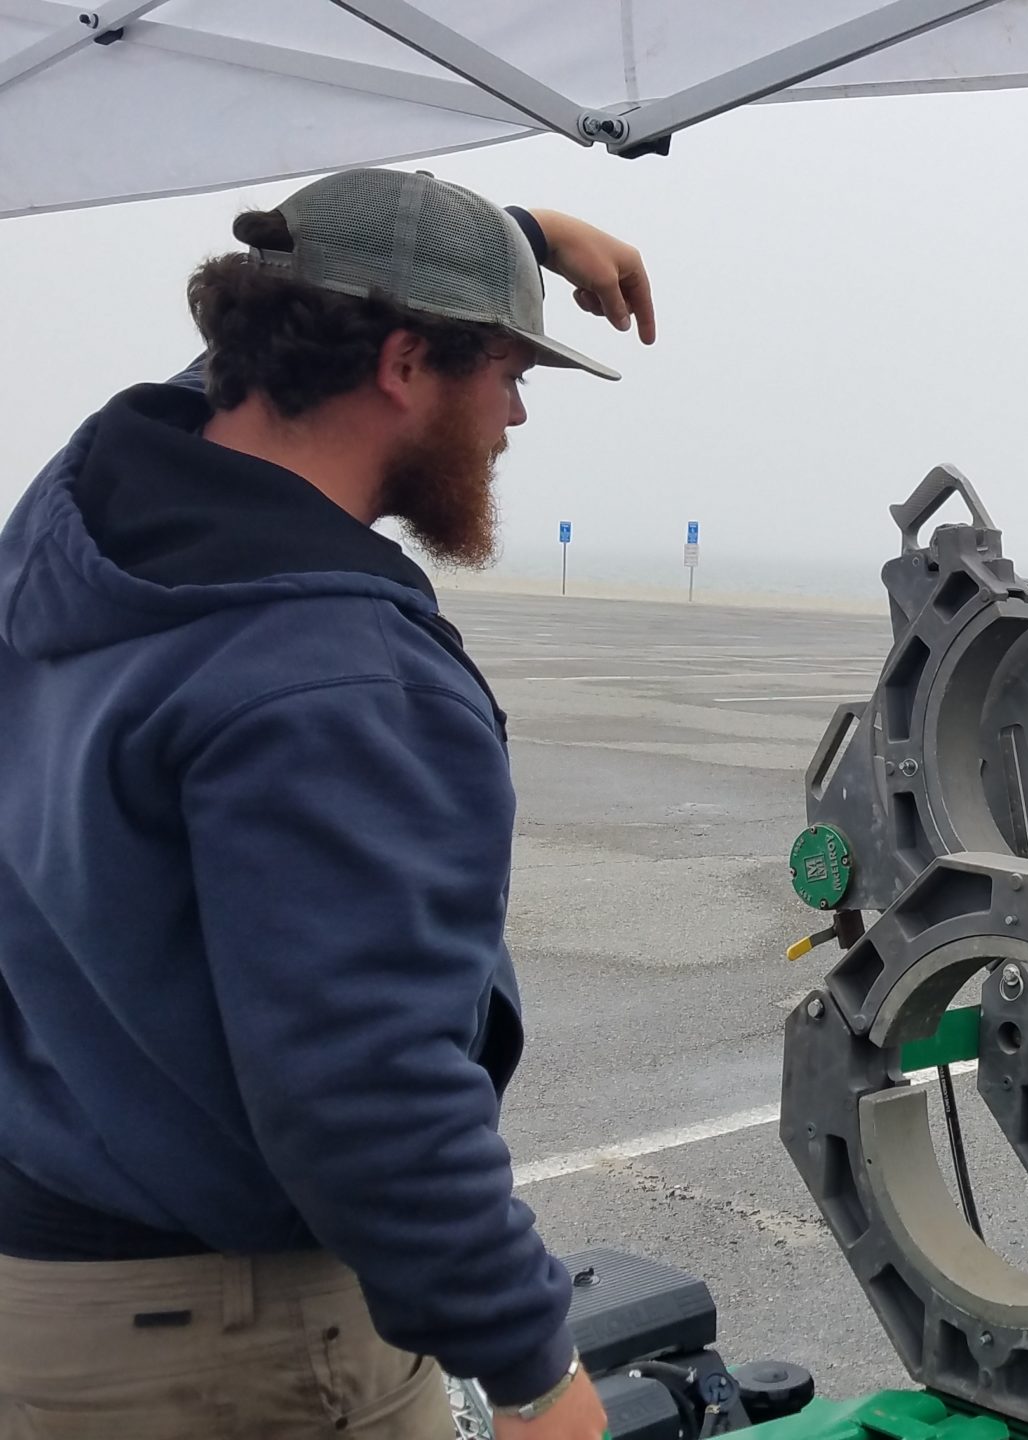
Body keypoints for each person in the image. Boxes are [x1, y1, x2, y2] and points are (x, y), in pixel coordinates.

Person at [0, 167, 658, 1439]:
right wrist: (531, 1368)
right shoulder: (330, 675)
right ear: (405, 360)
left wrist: (513, 243)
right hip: (227, 1351)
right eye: (511, 370)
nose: (517, 415)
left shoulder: (81, 520)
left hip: (46, 1295)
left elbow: (255, 367)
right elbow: (366, 1086)